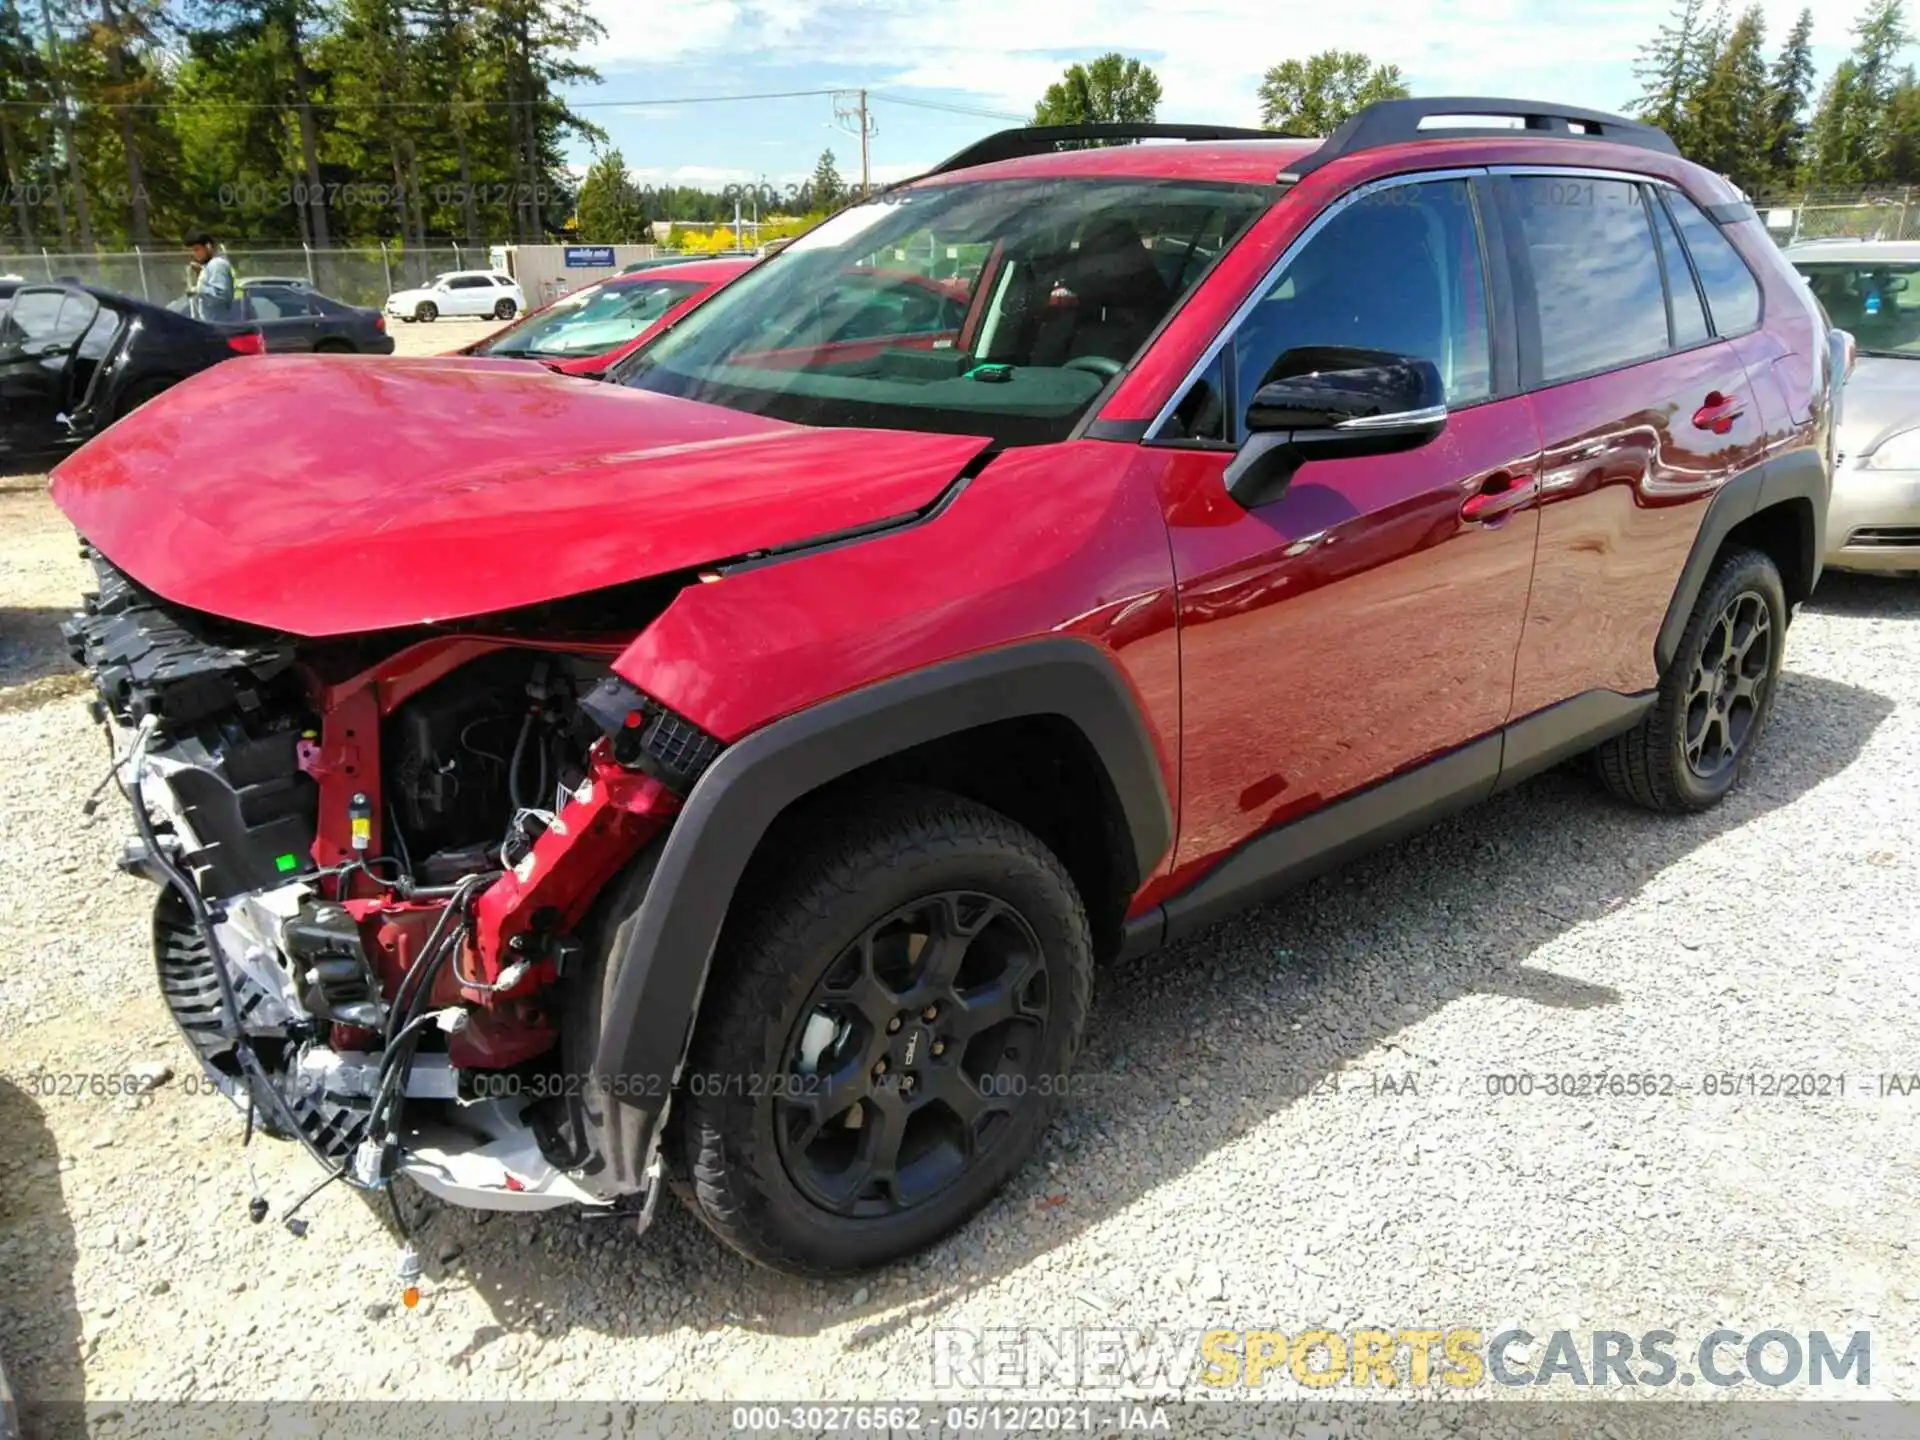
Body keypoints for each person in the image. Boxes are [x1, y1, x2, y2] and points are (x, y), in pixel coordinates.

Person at [187, 231, 239, 323]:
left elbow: (221, 294)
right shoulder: (210, 266)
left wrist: (197, 290)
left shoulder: (217, 264)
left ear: (208, 246)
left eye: (197, 249)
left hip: (218, 325)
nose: (195, 254)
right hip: (212, 324)